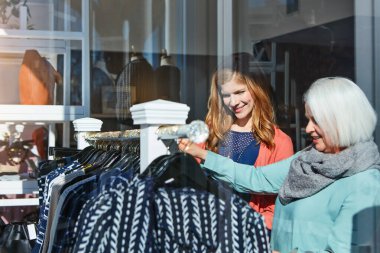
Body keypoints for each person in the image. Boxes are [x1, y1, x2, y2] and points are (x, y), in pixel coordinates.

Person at [179, 77, 380, 252]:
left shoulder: (365, 183)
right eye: (308, 119)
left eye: (316, 120)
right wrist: (203, 154)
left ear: (343, 121)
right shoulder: (307, 159)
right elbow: (257, 178)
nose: (308, 128)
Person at [199, 54, 294, 232]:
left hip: (250, 237)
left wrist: (243, 225)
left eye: (240, 92)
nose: (233, 102)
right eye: (226, 95)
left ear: (257, 88)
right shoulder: (209, 133)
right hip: (207, 233)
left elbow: (279, 209)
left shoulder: (279, 142)